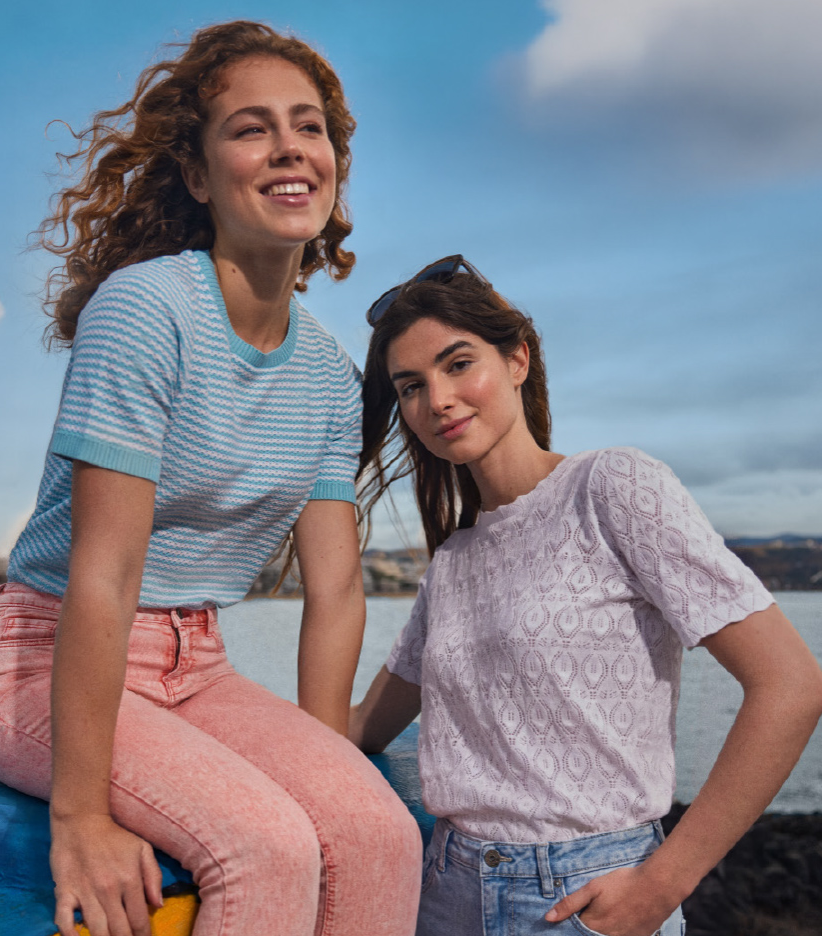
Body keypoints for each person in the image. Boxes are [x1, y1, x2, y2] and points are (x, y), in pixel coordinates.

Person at [0, 21, 421, 936]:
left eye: (310, 127)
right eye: (252, 128)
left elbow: (336, 590)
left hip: (199, 667)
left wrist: (323, 762)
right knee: (266, 847)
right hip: (46, 658)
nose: (290, 147)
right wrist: (80, 818)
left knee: (378, 833)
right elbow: (106, 571)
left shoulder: (331, 376)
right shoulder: (146, 310)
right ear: (200, 177)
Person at [348, 256, 822, 936]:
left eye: (458, 364)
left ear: (517, 359)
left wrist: (662, 884)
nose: (439, 399)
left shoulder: (611, 488)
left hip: (584, 900)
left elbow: (791, 685)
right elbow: (365, 727)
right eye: (412, 387)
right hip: (446, 893)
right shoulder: (453, 560)